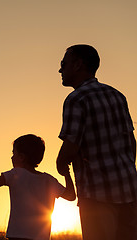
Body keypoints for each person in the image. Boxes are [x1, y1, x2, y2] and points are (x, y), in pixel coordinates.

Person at [56, 44, 137, 240]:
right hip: (130, 190)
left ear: (78, 65)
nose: (60, 69)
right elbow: (131, 142)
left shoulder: (76, 99)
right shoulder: (117, 95)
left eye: (63, 64)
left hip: (97, 194)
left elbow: (70, 146)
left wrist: (60, 163)